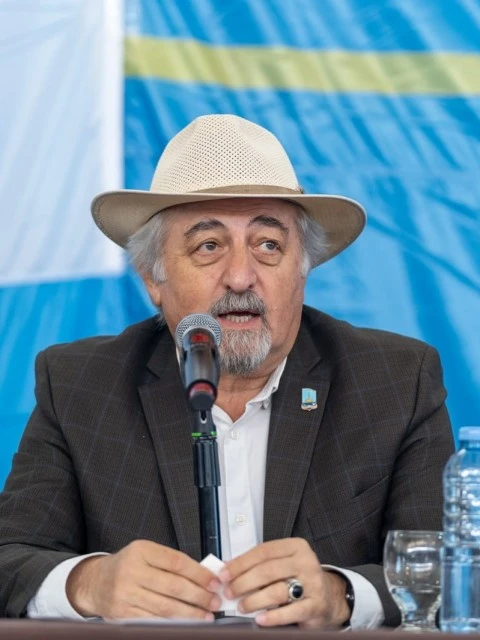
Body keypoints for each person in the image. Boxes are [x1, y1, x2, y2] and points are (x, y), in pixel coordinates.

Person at [0, 114, 454, 628]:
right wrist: (89, 584)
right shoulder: (81, 385)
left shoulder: (396, 381)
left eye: (268, 245)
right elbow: (9, 557)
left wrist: (341, 594)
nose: (240, 277)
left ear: (302, 270)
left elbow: (448, 569)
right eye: (208, 246)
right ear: (153, 278)